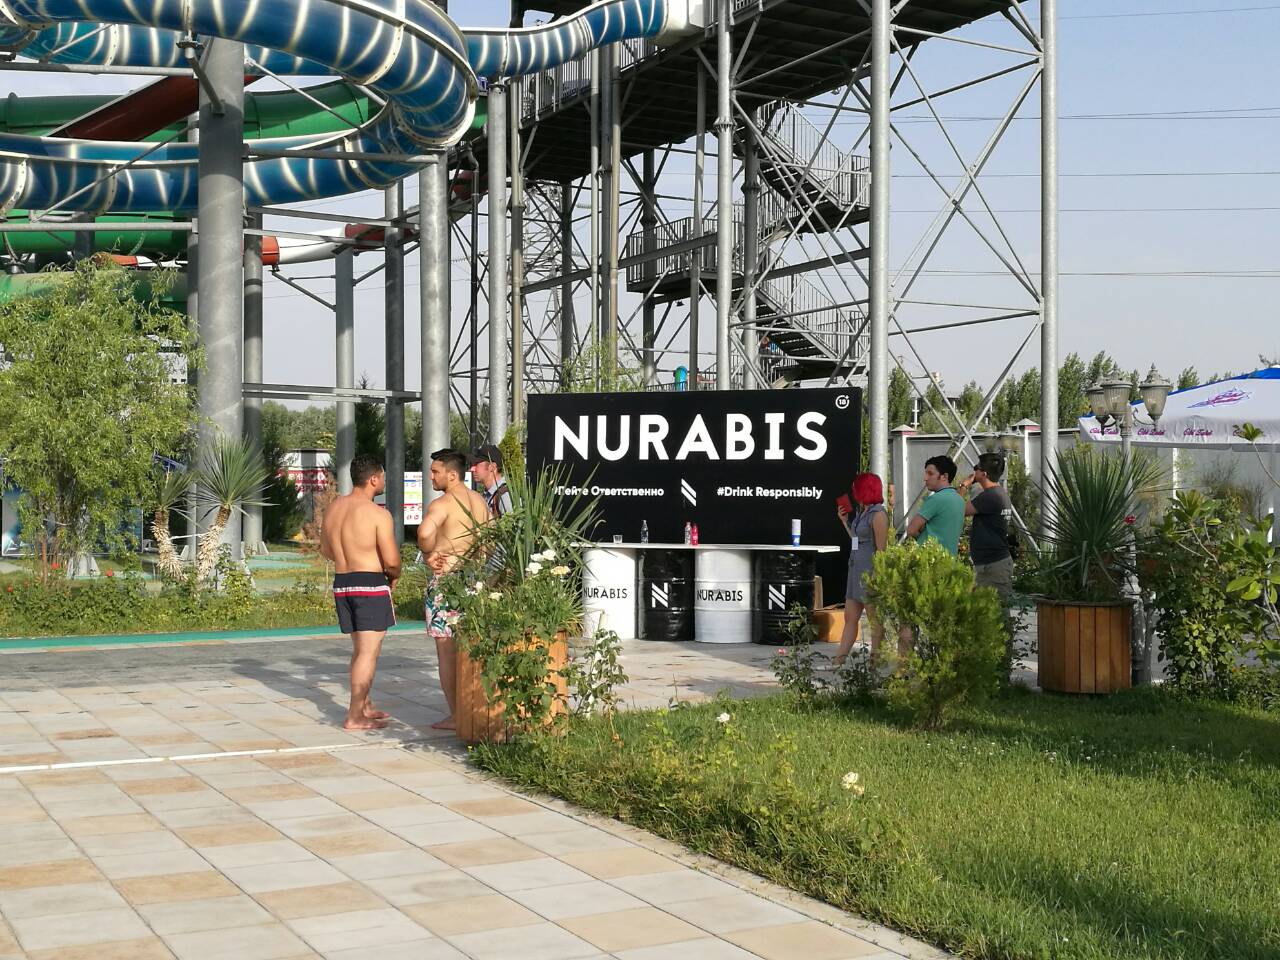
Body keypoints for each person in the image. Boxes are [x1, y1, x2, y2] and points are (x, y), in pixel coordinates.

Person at [319, 454, 401, 731]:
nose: (384, 482)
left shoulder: (334, 508)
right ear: (374, 479)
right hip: (369, 583)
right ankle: (354, 715)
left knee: (360, 650)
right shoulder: (377, 514)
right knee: (368, 652)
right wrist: (394, 575)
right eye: (383, 477)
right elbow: (391, 560)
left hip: (343, 581)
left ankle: (364, 704)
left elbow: (325, 549)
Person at [417, 448, 492, 730]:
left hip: (447, 582)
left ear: (452, 475)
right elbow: (491, 540)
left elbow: (424, 533)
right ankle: (476, 710)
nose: (431, 477)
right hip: (476, 580)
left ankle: (456, 715)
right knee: (472, 649)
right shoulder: (480, 501)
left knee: (447, 652)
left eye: (435, 472)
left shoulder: (443, 503)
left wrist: (428, 553)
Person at [833, 473, 889, 666]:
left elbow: (881, 550)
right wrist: (845, 521)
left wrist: (876, 576)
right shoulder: (863, 513)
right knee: (850, 617)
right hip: (855, 569)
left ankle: (875, 660)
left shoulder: (878, 514)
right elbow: (857, 540)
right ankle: (839, 660)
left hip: (870, 571)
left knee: (874, 620)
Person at [960, 453, 1014, 604]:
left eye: (976, 468)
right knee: (987, 613)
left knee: (997, 613)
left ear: (983, 474)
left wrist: (964, 485)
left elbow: (957, 509)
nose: (974, 471)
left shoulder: (990, 496)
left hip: (993, 566)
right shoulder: (998, 493)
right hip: (992, 564)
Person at [904, 455, 965, 555]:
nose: (925, 478)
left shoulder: (936, 498)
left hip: (930, 556)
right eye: (926, 473)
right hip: (950, 557)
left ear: (944, 476)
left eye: (930, 474)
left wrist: (922, 537)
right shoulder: (960, 500)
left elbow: (911, 530)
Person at [470, 443, 513, 518]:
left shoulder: (505, 496)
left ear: (492, 467)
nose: (472, 469)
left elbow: (512, 524)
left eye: (476, 464)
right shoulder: (488, 494)